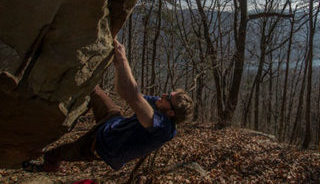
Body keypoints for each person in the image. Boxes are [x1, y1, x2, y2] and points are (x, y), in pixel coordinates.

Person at [23, 39, 194, 172]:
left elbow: (133, 96)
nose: (163, 94)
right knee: (93, 90)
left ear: (170, 113)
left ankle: (48, 166)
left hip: (100, 146)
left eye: (168, 97)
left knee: (56, 153)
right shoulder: (159, 104)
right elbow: (122, 91)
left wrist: (123, 59)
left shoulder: (164, 129)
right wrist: (118, 66)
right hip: (113, 121)